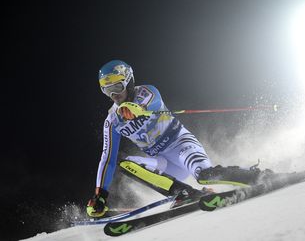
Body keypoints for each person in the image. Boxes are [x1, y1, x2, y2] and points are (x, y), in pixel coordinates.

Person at [86, 60, 270, 218]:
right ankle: (183, 193)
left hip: (182, 145)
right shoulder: (112, 121)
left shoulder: (147, 92)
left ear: (128, 82)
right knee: (125, 164)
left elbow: (153, 102)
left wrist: (136, 108)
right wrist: (100, 194)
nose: (114, 95)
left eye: (117, 87)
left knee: (205, 176)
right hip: (164, 163)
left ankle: (257, 175)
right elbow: (107, 158)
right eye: (107, 90)